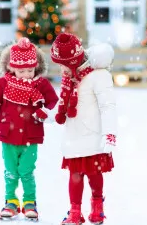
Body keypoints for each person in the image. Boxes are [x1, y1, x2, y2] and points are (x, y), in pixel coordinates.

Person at [0, 37, 59, 220]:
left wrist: (45, 111)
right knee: (11, 171)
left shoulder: (41, 84)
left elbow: (53, 102)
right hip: (8, 135)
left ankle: (30, 202)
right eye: (22, 71)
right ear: (12, 67)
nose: (27, 74)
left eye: (30, 70)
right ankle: (11, 201)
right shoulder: (3, 84)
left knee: (27, 170)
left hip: (31, 135)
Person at [50, 33, 117, 225]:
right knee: (75, 175)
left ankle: (97, 208)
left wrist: (110, 132)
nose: (60, 69)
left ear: (71, 62)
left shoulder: (98, 76)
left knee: (95, 174)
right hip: (74, 135)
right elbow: (61, 106)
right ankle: (75, 212)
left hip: (93, 135)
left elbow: (108, 106)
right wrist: (44, 115)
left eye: (62, 64)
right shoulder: (69, 80)